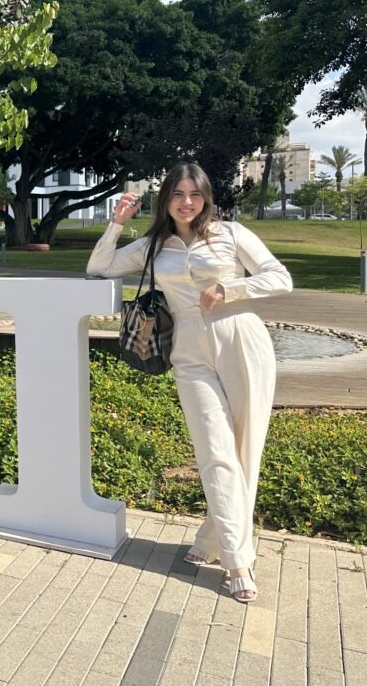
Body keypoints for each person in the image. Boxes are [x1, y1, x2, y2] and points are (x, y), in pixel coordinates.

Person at [86, 163, 291, 603]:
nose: (186, 202)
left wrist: (230, 291)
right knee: (215, 451)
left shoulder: (231, 234)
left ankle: (211, 540)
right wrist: (117, 222)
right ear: (166, 199)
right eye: (178, 194)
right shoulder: (155, 244)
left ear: (206, 198)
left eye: (194, 194)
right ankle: (239, 560)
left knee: (243, 449)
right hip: (189, 353)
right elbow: (100, 267)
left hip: (242, 341)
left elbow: (280, 278)